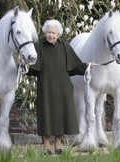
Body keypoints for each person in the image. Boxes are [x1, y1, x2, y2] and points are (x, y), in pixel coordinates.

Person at [24, 19, 94, 155]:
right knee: (46, 115)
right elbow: (32, 68)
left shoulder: (65, 46)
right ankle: (46, 145)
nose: (51, 35)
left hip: (63, 88)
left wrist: (86, 66)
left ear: (58, 34)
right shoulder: (38, 45)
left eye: (53, 33)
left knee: (62, 115)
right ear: (45, 32)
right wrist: (23, 64)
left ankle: (57, 143)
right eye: (49, 32)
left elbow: (74, 67)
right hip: (46, 86)